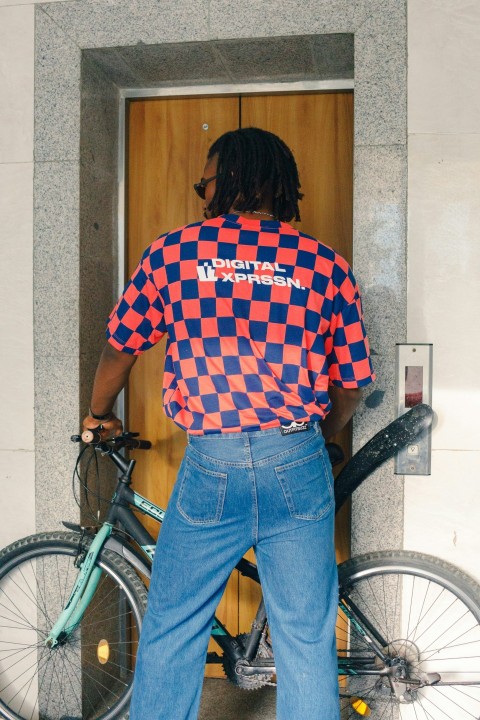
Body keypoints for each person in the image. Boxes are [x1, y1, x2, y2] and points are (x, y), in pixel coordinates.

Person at [83, 127, 375, 719]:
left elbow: (120, 348)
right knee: (306, 636)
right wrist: (321, 439)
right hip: (297, 458)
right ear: (281, 187)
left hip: (213, 461)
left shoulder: (173, 253)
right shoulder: (325, 265)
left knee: (174, 624)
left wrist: (97, 415)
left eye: (206, 181)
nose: (201, 193)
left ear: (231, 180)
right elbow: (352, 382)